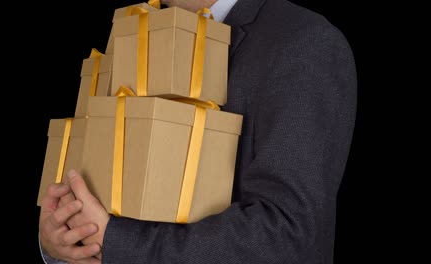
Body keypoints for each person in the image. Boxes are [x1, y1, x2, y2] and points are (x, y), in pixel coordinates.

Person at [38, 0, 357, 263]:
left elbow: (286, 237)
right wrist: (64, 238)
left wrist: (116, 241)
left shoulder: (303, 41)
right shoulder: (139, 32)